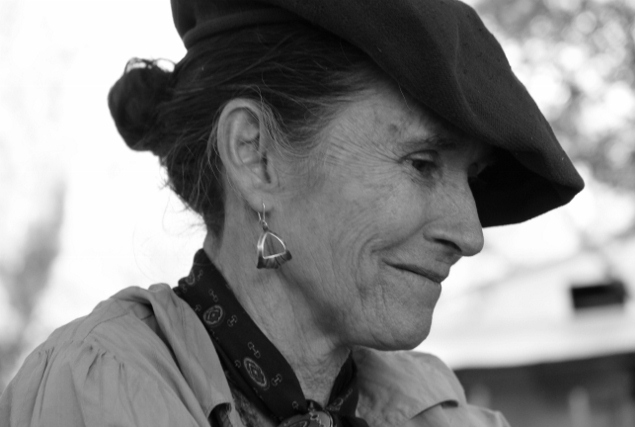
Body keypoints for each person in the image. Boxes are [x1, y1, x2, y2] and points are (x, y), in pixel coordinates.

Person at [0, 0, 584, 426]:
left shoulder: (437, 412)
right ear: (256, 157)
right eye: (422, 162)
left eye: (471, 178)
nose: (470, 234)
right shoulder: (103, 384)